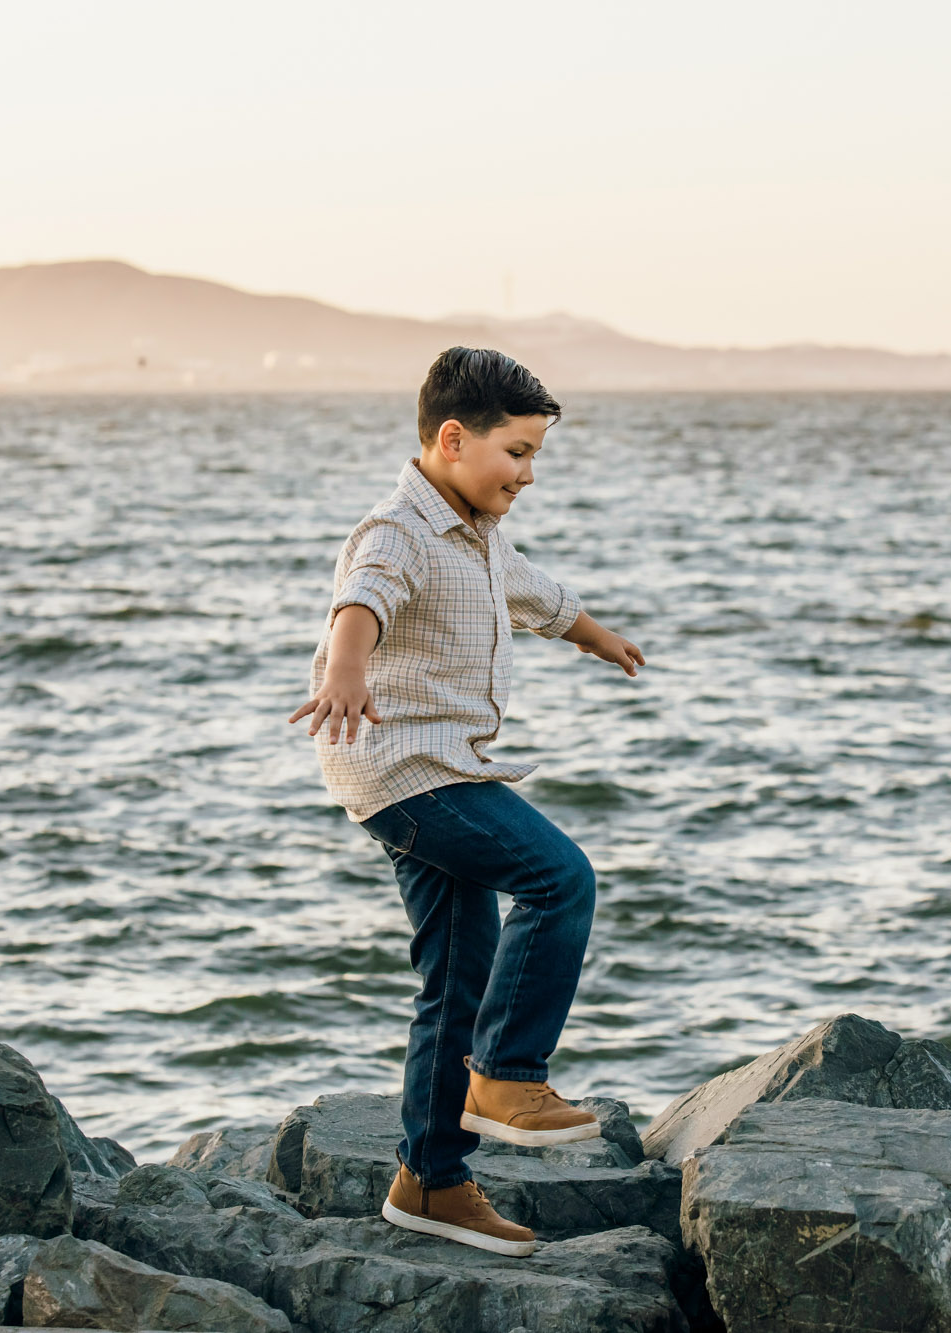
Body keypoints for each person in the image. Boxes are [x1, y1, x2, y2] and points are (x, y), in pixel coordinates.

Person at [287, 346, 645, 1256]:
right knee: (559, 878)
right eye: (517, 453)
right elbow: (359, 603)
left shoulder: (478, 532)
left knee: (456, 978)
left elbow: (532, 593)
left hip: (438, 766)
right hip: (408, 772)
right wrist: (344, 669)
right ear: (454, 440)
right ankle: (508, 1076)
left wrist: (595, 635)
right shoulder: (395, 532)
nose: (528, 474)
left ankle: (431, 1180)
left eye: (536, 456)